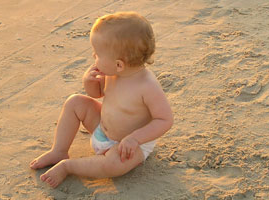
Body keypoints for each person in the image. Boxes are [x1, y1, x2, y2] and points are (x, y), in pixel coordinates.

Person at [29, 11, 173, 188]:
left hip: (128, 146)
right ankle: (59, 151)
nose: (93, 57)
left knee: (113, 165)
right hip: (102, 130)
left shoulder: (147, 86)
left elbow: (165, 119)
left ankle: (69, 167)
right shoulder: (112, 73)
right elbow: (96, 95)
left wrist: (134, 139)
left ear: (119, 64)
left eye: (97, 54)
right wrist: (88, 82)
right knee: (75, 102)